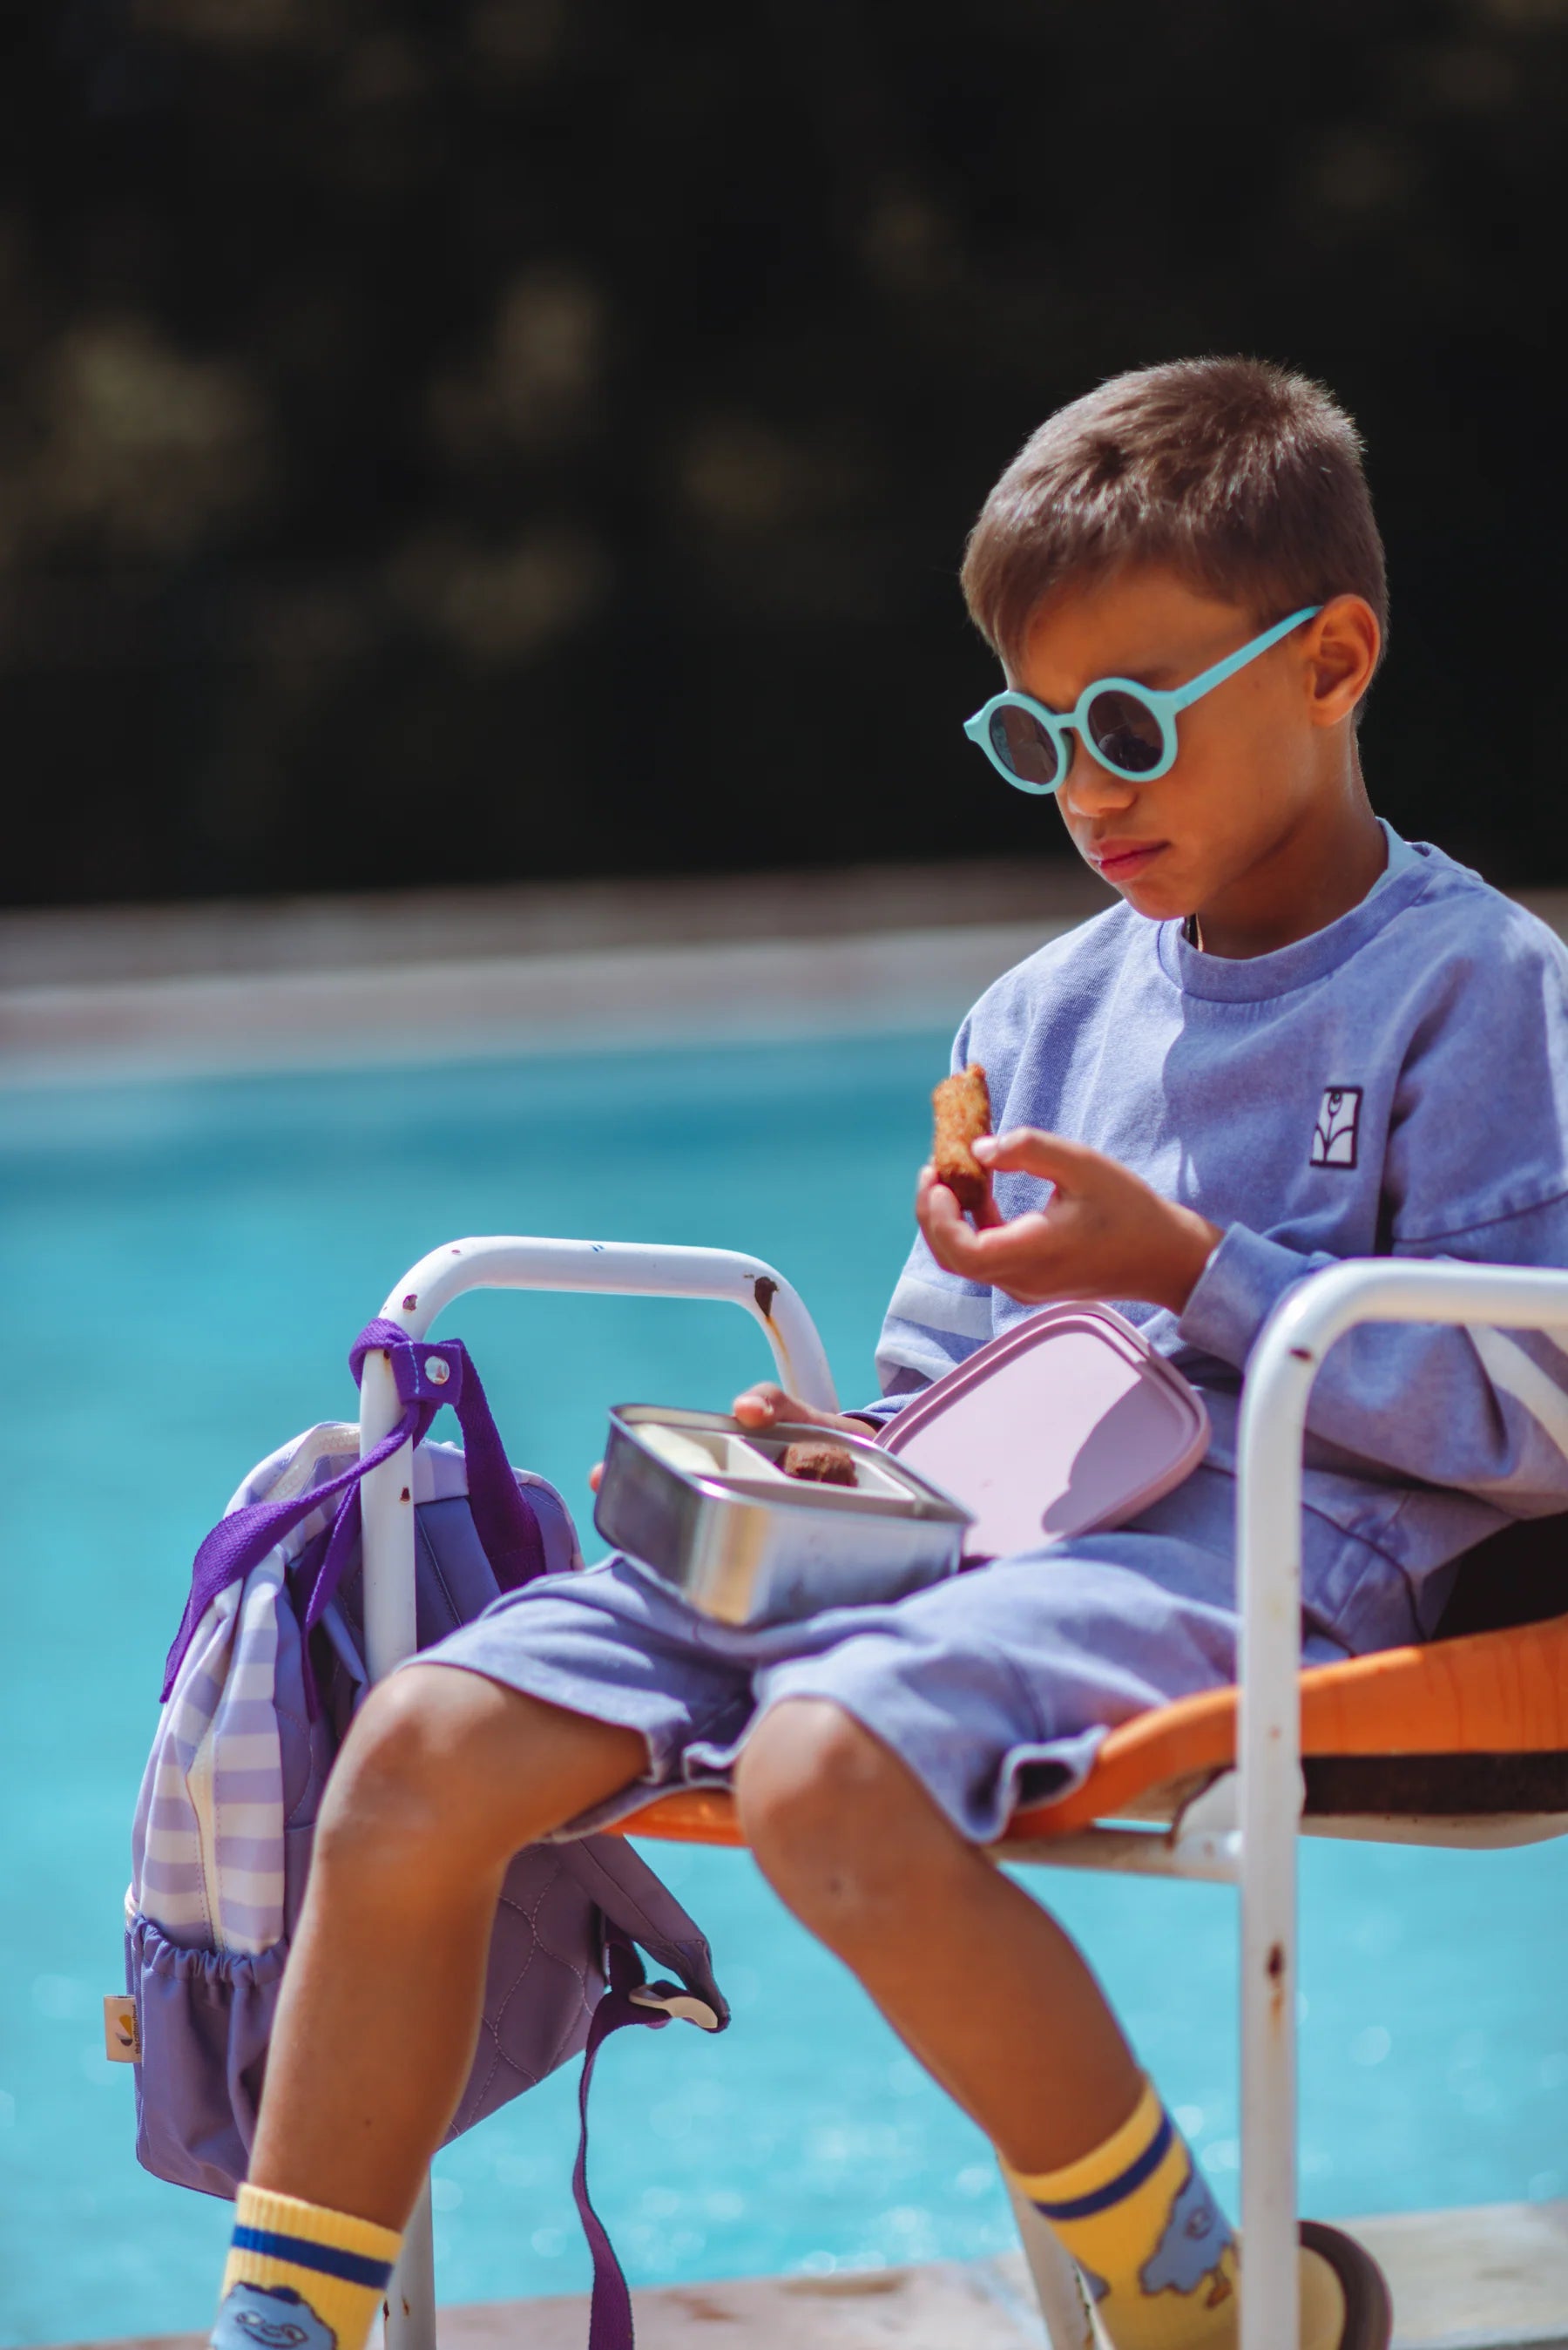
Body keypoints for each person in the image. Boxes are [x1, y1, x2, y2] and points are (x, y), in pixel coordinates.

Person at [208, 359, 1568, 2350]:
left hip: (1249, 1562)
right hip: (951, 1546)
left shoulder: (1478, 991)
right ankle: (279, 2326)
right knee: (421, 1742)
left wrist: (1192, 1266)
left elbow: (1537, 1408)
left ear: (1332, 661)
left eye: (1129, 725)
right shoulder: (1034, 1012)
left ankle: (1189, 2289)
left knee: (821, 1769)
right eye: (1036, 735)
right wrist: (835, 1446)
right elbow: (948, 1376)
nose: (1088, 791)